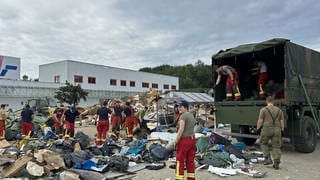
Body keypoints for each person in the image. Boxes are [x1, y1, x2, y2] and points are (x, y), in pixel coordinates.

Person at [256, 96, 285, 169]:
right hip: (277, 129)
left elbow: (260, 120)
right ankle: (277, 162)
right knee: (276, 146)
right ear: (273, 102)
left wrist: (258, 128)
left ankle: (268, 158)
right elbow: (282, 121)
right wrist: (282, 129)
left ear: (267, 101)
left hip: (267, 129)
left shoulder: (263, 110)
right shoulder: (279, 110)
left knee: (263, 143)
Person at [175, 100, 196, 180]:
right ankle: (191, 178)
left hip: (184, 140)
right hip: (192, 139)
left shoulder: (183, 116)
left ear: (185, 107)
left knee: (180, 161)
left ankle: (179, 179)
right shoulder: (191, 115)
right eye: (179, 106)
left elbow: (181, 130)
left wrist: (176, 141)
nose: (179, 108)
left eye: (181, 106)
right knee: (190, 161)